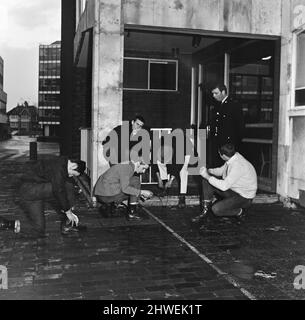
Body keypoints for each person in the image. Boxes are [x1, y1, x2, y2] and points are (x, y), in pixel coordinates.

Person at [19, 156, 87, 237]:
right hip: (29, 190)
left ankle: (9, 224)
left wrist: (70, 208)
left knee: (39, 230)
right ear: (74, 166)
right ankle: (68, 223)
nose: (71, 176)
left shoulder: (63, 163)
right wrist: (68, 212)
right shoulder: (59, 167)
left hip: (34, 195)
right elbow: (58, 190)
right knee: (65, 187)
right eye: (72, 174)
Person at [192, 143, 257, 223]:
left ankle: (240, 212)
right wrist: (208, 171)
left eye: (219, 154)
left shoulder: (238, 165)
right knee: (206, 180)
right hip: (234, 191)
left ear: (223, 155)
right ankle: (205, 212)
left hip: (244, 198)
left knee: (216, 209)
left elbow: (224, 186)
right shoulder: (232, 158)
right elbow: (221, 171)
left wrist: (207, 176)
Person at [208, 84, 244, 167]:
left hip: (229, 143)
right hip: (220, 142)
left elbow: (239, 125)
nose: (214, 96)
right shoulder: (219, 106)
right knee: (221, 165)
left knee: (229, 166)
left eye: (216, 93)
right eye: (213, 94)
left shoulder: (233, 105)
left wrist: (234, 143)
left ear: (223, 92)